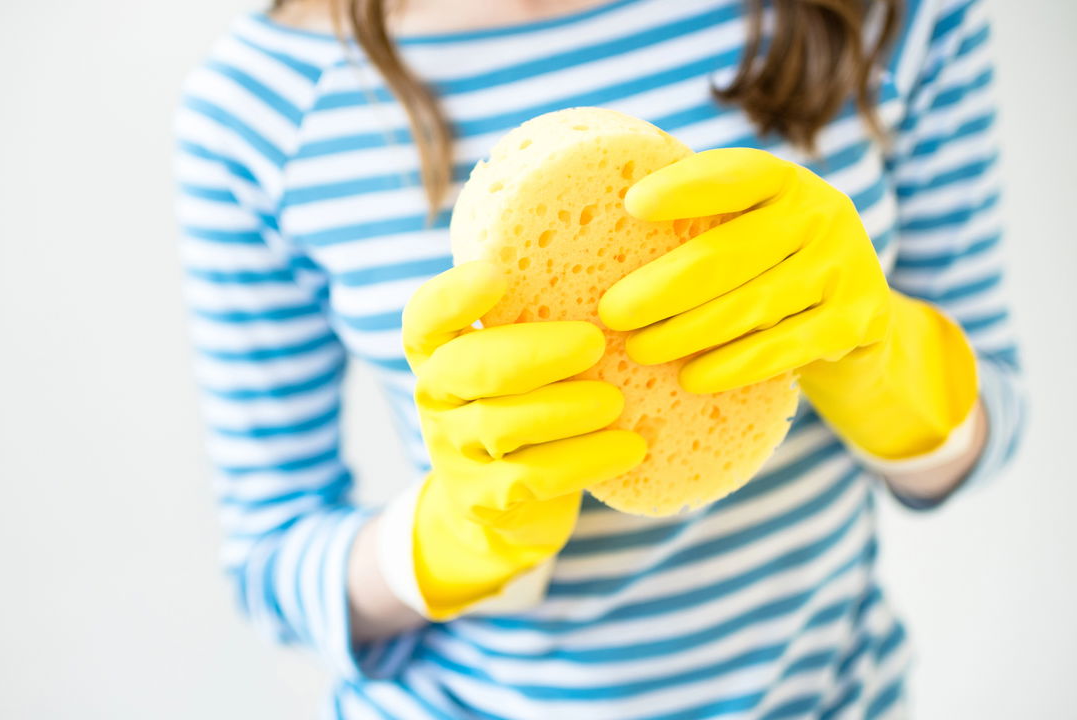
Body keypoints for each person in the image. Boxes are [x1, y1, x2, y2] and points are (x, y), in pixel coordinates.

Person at [172, 0, 1025, 716]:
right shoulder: (263, 108)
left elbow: (998, 426)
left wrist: (881, 357)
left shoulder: (886, 14)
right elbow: (270, 558)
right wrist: (448, 542)